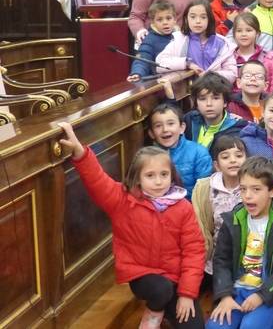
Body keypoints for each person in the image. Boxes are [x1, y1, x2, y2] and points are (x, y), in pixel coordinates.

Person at [57, 122, 205, 329]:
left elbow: (194, 251)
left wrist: (187, 294)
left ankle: (167, 310)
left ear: (172, 175)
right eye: (150, 175)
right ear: (137, 178)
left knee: (194, 326)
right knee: (160, 290)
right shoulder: (122, 200)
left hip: (176, 278)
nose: (159, 181)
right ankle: (155, 310)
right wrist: (80, 153)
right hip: (142, 274)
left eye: (164, 174)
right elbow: (97, 180)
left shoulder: (183, 207)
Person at [207, 157, 273, 329]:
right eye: (243, 189)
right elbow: (221, 261)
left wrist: (262, 295)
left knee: (251, 326)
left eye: (256, 189)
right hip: (235, 291)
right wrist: (225, 296)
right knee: (216, 327)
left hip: (270, 293)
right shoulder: (234, 219)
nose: (247, 195)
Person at [192, 134, 247, 275]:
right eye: (225, 157)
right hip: (215, 259)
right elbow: (202, 228)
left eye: (238, 155)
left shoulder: (253, 187)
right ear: (216, 165)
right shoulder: (205, 188)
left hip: (248, 258)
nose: (233, 160)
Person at [156, 0, 237, 83]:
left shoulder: (223, 43)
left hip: (214, 91)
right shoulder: (179, 40)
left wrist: (210, 76)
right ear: (186, 19)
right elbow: (159, 64)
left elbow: (232, 74)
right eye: (193, 17)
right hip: (187, 93)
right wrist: (187, 63)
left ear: (209, 19)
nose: (198, 21)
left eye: (203, 17)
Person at [147, 102, 212, 199]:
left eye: (170, 123)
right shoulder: (146, 157)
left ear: (182, 128)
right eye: (158, 126)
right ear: (151, 133)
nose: (165, 129)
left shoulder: (198, 153)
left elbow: (203, 192)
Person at [181, 73, 248, 148]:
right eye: (202, 99)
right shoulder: (189, 119)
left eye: (215, 98)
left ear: (225, 102)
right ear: (196, 102)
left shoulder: (238, 129)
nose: (209, 104)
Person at [127, 0, 176, 82]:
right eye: (160, 20)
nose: (165, 22)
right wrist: (137, 73)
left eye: (168, 18)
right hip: (160, 83)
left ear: (174, 20)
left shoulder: (179, 35)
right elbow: (142, 59)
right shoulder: (149, 40)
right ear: (153, 23)